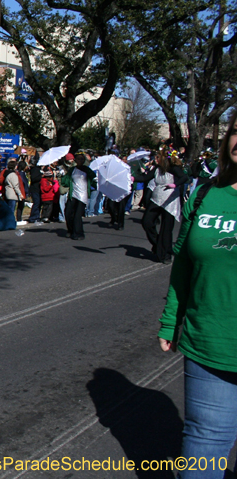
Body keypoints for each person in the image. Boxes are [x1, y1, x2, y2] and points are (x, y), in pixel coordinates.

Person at [158, 114, 237, 478]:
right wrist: (172, 319)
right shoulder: (206, 193)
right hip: (210, 343)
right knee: (204, 450)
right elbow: (184, 265)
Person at [139, 147, 190, 263]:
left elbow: (184, 177)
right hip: (157, 199)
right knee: (146, 221)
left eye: (157, 157)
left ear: (162, 158)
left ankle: (166, 255)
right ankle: (158, 245)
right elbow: (145, 177)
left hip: (170, 200)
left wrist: (174, 185)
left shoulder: (173, 168)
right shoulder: (157, 169)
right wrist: (132, 178)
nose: (155, 159)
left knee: (166, 229)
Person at [62, 152, 97, 240]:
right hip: (73, 194)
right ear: (75, 160)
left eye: (82, 159)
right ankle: (70, 230)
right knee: (68, 212)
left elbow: (93, 179)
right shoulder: (72, 170)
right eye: (79, 159)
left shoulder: (87, 170)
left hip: (82, 195)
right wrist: (62, 177)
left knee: (77, 215)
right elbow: (65, 181)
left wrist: (96, 181)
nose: (80, 161)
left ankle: (79, 233)